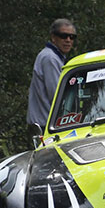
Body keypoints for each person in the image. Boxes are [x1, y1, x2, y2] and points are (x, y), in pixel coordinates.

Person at [27, 19, 76, 147]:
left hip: (47, 125)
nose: (68, 40)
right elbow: (57, 95)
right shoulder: (50, 58)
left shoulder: (54, 57)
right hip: (46, 127)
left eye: (72, 37)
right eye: (63, 36)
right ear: (53, 38)